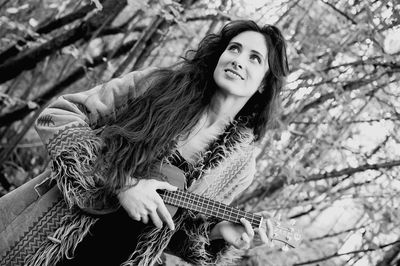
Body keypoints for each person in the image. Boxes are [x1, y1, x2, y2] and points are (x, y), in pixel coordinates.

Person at [23, 19, 288, 266]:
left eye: (255, 58)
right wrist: (124, 184)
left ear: (265, 83)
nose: (238, 60)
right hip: (48, 231)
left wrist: (219, 232)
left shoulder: (240, 166)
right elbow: (58, 115)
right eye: (234, 49)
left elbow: (171, 232)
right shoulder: (158, 86)